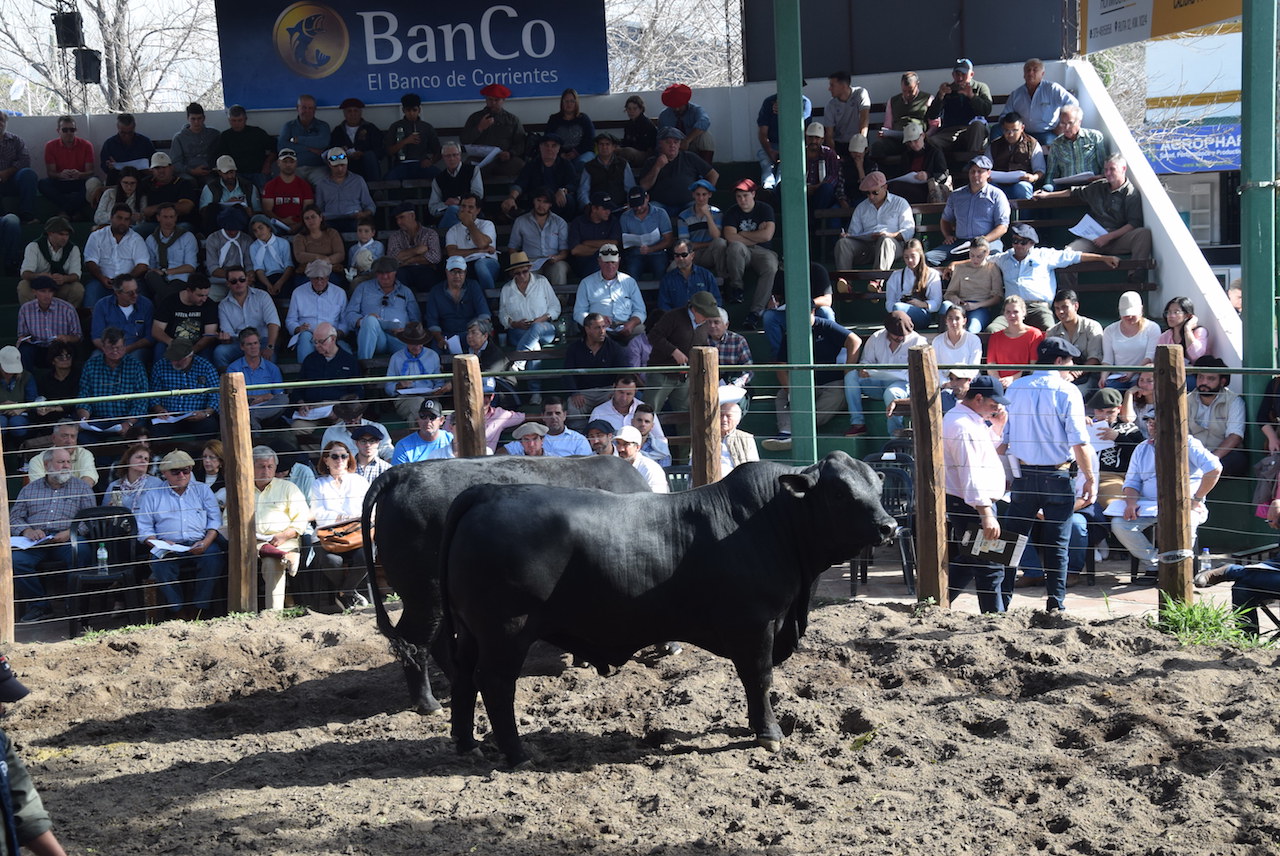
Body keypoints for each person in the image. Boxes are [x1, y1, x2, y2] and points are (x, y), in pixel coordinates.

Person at [1001, 337, 1096, 612]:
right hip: (1057, 475)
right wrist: (1089, 477)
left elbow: (1005, 438)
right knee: (1057, 543)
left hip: (1023, 474)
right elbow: (1079, 441)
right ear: (1058, 361)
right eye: (1069, 362)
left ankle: (1000, 600)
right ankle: (1056, 604)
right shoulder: (1067, 391)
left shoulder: (1016, 387)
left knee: (1012, 541)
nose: (1072, 368)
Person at [1106, 408, 1222, 580]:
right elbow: (1131, 482)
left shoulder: (1189, 444)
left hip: (1186, 504)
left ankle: (1179, 571)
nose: (1151, 426)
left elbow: (1215, 468)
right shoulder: (1141, 448)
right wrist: (1131, 503)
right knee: (1120, 524)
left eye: (1155, 422)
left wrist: (1197, 498)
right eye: (1148, 422)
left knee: (1187, 523)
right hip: (1148, 506)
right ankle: (1156, 564)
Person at [943, 375, 1010, 613]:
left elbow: (981, 452)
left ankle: (934, 603)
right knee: (990, 567)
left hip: (970, 502)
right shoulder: (963, 426)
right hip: (974, 504)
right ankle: (995, 621)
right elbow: (971, 471)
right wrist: (986, 513)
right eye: (994, 404)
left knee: (972, 560)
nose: (998, 408)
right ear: (978, 398)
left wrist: (997, 425)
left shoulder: (967, 419)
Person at [1035, 155, 1154, 289]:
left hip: (1117, 238)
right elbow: (1073, 192)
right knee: (1069, 252)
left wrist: (1108, 237)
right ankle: (1069, 294)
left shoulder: (1131, 193)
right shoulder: (1098, 187)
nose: (1108, 173)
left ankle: (1135, 277)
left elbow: (1133, 224)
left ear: (1123, 169)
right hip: (1093, 238)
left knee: (1143, 234)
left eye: (1112, 169)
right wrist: (1047, 195)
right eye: (1106, 170)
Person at [134, 449, 225, 620]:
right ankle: (177, 609)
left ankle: (200, 607)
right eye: (175, 471)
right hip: (167, 545)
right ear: (164, 473)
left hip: (200, 542)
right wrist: (157, 543)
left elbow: (215, 522)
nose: (182, 475)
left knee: (214, 557)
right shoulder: (152, 495)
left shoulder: (203, 490)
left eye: (186, 470)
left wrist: (205, 542)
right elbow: (144, 529)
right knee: (159, 564)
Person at [9, 446, 96, 623]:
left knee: (81, 551)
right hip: (36, 540)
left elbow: (91, 519)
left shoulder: (81, 488)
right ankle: (40, 607)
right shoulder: (30, 489)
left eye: (68, 462)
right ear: (47, 465)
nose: (66, 466)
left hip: (67, 538)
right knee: (16, 560)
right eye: (61, 462)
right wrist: (28, 531)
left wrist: (71, 532)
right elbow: (15, 517)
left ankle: (75, 605)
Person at [761, 305, 863, 450]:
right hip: (804, 384)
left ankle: (799, 428)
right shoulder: (791, 333)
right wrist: (789, 389)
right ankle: (785, 432)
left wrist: (848, 369)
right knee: (782, 395)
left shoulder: (825, 325)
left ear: (813, 312)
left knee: (840, 393)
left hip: (831, 382)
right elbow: (781, 365)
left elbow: (855, 341)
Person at [987, 222, 1119, 332]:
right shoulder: (1004, 257)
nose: (1018, 245)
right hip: (1012, 308)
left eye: (1023, 242)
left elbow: (1074, 256)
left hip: (1038, 307)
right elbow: (981, 261)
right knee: (992, 330)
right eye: (1015, 241)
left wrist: (1103, 258)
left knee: (1051, 330)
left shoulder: (1044, 255)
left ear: (1032, 243)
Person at [309, 440, 372, 610]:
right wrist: (341, 516)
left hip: (357, 535)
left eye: (344, 456)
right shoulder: (318, 484)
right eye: (334, 456)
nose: (340, 460)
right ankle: (349, 594)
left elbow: (368, 509)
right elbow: (317, 514)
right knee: (331, 561)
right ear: (325, 460)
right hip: (329, 536)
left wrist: (348, 518)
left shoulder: (359, 481)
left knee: (366, 556)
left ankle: (345, 592)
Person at [248, 445, 309, 610]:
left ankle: (273, 613)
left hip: (284, 540)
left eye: (270, 466)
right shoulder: (242, 489)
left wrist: (285, 535)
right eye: (261, 466)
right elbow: (228, 521)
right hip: (251, 540)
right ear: (250, 466)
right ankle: (244, 611)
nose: (266, 471)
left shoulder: (288, 488)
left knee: (271, 563)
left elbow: (302, 518)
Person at [573, 244, 649, 367]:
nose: (610, 266)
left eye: (613, 262)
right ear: (599, 261)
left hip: (626, 325)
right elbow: (579, 313)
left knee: (641, 331)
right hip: (601, 327)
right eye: (606, 262)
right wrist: (597, 320)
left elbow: (640, 310)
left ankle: (637, 376)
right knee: (598, 335)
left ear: (619, 261)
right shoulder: (586, 283)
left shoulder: (629, 282)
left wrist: (631, 323)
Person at [926, 155, 1010, 266]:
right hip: (961, 242)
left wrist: (984, 239)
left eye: (980, 172)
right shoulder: (956, 195)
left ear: (988, 173)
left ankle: (959, 266)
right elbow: (945, 219)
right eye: (972, 171)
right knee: (929, 258)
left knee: (994, 259)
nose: (975, 175)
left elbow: (1003, 227)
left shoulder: (997, 195)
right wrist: (948, 236)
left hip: (987, 242)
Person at [851, 311, 926, 435]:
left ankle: (895, 439)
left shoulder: (918, 341)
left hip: (902, 385)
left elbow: (916, 374)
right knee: (851, 377)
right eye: (896, 334)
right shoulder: (876, 337)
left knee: (892, 393)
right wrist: (864, 370)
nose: (900, 337)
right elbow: (865, 361)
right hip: (876, 383)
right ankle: (857, 423)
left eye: (903, 335)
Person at [498, 251, 559, 399]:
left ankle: (518, 361)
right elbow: (502, 315)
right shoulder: (507, 289)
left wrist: (541, 319)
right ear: (513, 273)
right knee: (534, 346)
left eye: (524, 271)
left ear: (529, 269)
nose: (522, 275)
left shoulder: (541, 281)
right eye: (517, 273)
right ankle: (535, 393)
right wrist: (514, 323)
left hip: (545, 328)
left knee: (536, 329)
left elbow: (555, 307)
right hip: (519, 331)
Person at [647, 290, 719, 414]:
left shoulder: (704, 325)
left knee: (686, 415)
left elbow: (702, 344)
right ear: (695, 309)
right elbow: (654, 336)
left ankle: (686, 434)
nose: (707, 319)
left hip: (685, 378)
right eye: (705, 314)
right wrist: (674, 351)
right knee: (649, 411)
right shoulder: (672, 317)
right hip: (661, 374)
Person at [723, 179, 779, 329]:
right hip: (743, 252)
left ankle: (756, 312)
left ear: (753, 194)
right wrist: (756, 234)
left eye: (745, 195)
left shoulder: (765, 209)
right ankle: (737, 288)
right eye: (739, 196)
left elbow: (767, 236)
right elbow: (730, 237)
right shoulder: (732, 212)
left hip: (764, 251)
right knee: (734, 247)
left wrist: (743, 233)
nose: (742, 200)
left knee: (771, 266)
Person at [834, 171, 913, 275]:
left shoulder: (900, 203)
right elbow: (854, 232)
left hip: (893, 246)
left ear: (885, 187)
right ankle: (844, 281)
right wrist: (848, 236)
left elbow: (908, 231)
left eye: (875, 192)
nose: (871, 196)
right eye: (867, 193)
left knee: (885, 241)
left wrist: (889, 235)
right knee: (843, 243)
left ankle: (876, 281)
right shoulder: (861, 207)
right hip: (867, 247)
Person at [345, 256, 422, 360]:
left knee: (421, 353)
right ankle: (363, 365)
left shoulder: (405, 291)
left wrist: (405, 331)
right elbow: (349, 313)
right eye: (381, 273)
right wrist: (363, 321)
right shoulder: (363, 288)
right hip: (374, 338)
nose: (385, 277)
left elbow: (416, 321)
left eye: (388, 273)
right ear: (376, 274)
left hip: (398, 338)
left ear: (395, 272)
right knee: (370, 320)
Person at [75, 326, 150, 432]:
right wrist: (84, 420)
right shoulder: (91, 365)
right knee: (81, 434)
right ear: (103, 347)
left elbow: (142, 400)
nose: (115, 351)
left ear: (124, 346)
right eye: (110, 348)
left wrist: (128, 422)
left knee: (137, 433)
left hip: (128, 419)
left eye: (118, 348)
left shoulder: (136, 366)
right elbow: (84, 396)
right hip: (99, 419)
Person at [290, 322, 359, 436]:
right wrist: (301, 403)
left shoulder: (349, 361)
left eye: (321, 342)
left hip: (339, 408)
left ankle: (337, 452)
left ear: (333, 339)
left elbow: (357, 392)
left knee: (347, 426)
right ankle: (318, 453)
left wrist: (341, 409)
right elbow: (298, 388)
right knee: (297, 428)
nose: (317, 345)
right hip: (312, 409)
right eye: (315, 342)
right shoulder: (310, 360)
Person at [562, 313, 628, 429]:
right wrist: (574, 392)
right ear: (587, 329)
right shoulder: (575, 348)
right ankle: (580, 438)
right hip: (583, 393)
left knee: (619, 401)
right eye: (597, 328)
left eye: (603, 327)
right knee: (573, 405)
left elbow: (623, 372)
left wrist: (616, 390)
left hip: (607, 391)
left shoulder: (614, 347)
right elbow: (567, 373)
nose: (602, 331)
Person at [1187, 355, 1247, 477]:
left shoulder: (1234, 401)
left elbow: (1235, 436)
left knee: (1237, 460)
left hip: (1220, 456)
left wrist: (1211, 459)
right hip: (1192, 455)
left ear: (1222, 381)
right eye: (1201, 377)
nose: (1204, 382)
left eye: (1210, 379)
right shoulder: (1186, 401)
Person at [639, 128, 720, 219]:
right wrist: (657, 166)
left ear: (680, 144)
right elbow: (644, 186)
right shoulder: (652, 161)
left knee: (700, 208)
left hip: (689, 203)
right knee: (649, 210)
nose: (672, 145)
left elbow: (713, 175)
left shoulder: (690, 157)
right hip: (660, 205)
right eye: (668, 142)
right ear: (660, 143)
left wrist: (705, 194)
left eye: (676, 142)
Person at [1086, 387, 1145, 512]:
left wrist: (1118, 438)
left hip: (1112, 476)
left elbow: (1140, 454)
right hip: (1084, 474)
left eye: (1110, 412)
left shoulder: (1129, 429)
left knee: (1113, 505)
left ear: (1119, 409)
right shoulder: (1086, 424)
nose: (1104, 416)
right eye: (1100, 411)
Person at [227, 327, 290, 440]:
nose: (254, 347)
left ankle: (254, 416)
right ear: (242, 347)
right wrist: (261, 397)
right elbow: (233, 398)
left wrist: (265, 400)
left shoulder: (272, 368)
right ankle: (253, 418)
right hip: (245, 409)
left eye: (256, 343)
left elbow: (278, 397)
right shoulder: (233, 369)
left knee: (284, 399)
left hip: (268, 411)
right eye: (249, 344)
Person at [148, 339, 219, 438]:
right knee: (157, 429)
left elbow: (215, 396)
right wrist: (160, 410)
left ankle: (205, 453)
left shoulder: (206, 367)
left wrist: (205, 413)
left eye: (179, 359)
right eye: (172, 359)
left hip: (198, 416)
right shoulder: (160, 366)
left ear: (190, 355)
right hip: (170, 416)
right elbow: (154, 394)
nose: (174, 362)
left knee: (210, 426)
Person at [924, 59, 994, 158]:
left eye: (963, 74)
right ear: (953, 75)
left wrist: (972, 96)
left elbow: (986, 111)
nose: (960, 78)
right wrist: (940, 96)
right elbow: (932, 115)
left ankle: (972, 165)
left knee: (978, 125)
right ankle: (939, 170)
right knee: (931, 142)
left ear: (971, 74)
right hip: (949, 131)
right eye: (957, 74)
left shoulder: (980, 87)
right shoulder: (947, 89)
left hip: (971, 130)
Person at [213, 266, 280, 370]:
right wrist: (225, 340)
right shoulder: (223, 305)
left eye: (242, 279)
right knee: (220, 352)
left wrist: (270, 346)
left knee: (270, 357)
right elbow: (228, 334)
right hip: (239, 343)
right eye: (234, 281)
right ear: (228, 284)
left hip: (262, 341)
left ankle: (265, 385)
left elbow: (273, 323)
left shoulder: (262, 296)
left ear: (247, 280)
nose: (238, 283)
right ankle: (228, 383)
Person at [83, 204, 150, 307]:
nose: (122, 222)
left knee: (143, 301)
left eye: (126, 219)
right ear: (111, 218)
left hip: (129, 281)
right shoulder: (97, 236)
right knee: (92, 292)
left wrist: (125, 280)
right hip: (102, 281)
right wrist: (102, 278)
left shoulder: (136, 239)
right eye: (119, 218)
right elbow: (90, 261)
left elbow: (142, 265)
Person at [423, 257, 489, 354]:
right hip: (446, 335)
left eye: (460, 272)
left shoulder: (473, 286)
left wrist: (477, 334)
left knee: (483, 344)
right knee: (434, 351)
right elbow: (432, 322)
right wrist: (440, 338)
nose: (457, 275)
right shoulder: (436, 291)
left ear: (465, 272)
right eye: (453, 272)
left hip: (470, 333)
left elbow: (484, 315)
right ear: (446, 272)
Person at [503, 134, 577, 221]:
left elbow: (573, 184)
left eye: (554, 146)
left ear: (559, 148)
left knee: (568, 200)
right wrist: (511, 198)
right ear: (540, 147)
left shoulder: (566, 164)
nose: (549, 149)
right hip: (537, 203)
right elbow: (520, 183)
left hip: (557, 203)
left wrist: (563, 190)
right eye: (546, 145)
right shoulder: (532, 165)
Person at [384, 322, 447, 423]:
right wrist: (399, 386)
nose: (417, 347)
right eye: (413, 344)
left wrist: (438, 390)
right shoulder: (396, 358)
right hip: (404, 399)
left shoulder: (432, 355)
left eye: (419, 343)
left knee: (417, 414)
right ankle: (429, 434)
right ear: (406, 342)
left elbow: (439, 381)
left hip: (430, 397)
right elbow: (388, 387)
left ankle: (419, 435)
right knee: (419, 404)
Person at [1004, 58, 1078, 143]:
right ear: (1024, 75)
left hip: (1047, 133)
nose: (1030, 73)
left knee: (1049, 146)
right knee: (996, 131)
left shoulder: (1052, 89)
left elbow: (1073, 104)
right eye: (1028, 70)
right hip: (1023, 133)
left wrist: (1062, 125)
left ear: (1042, 74)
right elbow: (1005, 115)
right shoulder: (1016, 94)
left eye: (1035, 70)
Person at [1046, 289, 1105, 396]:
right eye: (1057, 308)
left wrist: (1075, 373)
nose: (1060, 312)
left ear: (1076, 306)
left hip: (1089, 376)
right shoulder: (1052, 332)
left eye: (1064, 307)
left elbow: (1095, 359)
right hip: (1059, 377)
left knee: (1073, 394)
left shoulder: (1092, 327)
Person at [460, 83, 526, 177]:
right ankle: (473, 192)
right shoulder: (475, 118)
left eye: (497, 100)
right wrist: (480, 128)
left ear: (503, 100)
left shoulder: (512, 119)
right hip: (480, 158)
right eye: (490, 99)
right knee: (467, 168)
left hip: (503, 159)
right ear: (486, 100)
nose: (493, 103)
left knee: (521, 166)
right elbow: (464, 140)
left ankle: (514, 191)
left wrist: (510, 153)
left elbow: (520, 143)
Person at [16, 276, 81, 371]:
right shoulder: (25, 309)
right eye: (43, 291)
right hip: (38, 348)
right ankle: (27, 379)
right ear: (34, 292)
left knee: (69, 348)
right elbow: (22, 334)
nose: (47, 295)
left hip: (60, 347)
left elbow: (78, 336)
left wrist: (66, 338)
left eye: (50, 291)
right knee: (25, 350)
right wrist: (24, 338)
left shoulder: (67, 308)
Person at [38, 115, 96, 218]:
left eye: (72, 130)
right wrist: (60, 175)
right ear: (58, 131)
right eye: (65, 130)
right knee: (42, 184)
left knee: (95, 183)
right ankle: (75, 211)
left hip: (79, 181)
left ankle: (65, 211)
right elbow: (50, 173)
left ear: (75, 130)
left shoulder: (86, 145)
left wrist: (79, 174)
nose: (69, 133)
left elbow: (90, 172)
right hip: (60, 182)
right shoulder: (50, 146)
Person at [822, 71, 872, 188]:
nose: (829, 89)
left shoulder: (860, 93)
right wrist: (833, 154)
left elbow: (864, 118)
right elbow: (829, 134)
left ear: (843, 86)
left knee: (865, 163)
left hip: (858, 140)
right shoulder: (830, 106)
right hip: (841, 145)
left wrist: (860, 143)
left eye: (832, 85)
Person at [1100, 291, 1158, 391]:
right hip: (1117, 377)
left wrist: (1133, 372)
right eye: (1126, 314)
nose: (1129, 317)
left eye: (1133, 314)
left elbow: (1150, 357)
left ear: (1141, 310)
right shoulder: (1110, 330)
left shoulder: (1152, 328)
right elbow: (1108, 359)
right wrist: (1103, 377)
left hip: (1142, 377)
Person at [756, 86, 813, 188]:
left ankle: (780, 189)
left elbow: (800, 131)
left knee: (785, 169)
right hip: (772, 145)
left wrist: (785, 111)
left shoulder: (804, 102)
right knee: (766, 166)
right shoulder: (769, 102)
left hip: (793, 146)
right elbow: (762, 133)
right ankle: (767, 190)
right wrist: (770, 151)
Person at [869, 71, 933, 161]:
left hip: (918, 138)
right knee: (877, 146)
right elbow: (888, 125)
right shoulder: (893, 101)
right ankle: (882, 173)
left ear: (917, 85)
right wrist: (885, 133)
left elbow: (934, 124)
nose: (907, 94)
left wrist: (926, 135)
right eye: (904, 91)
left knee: (914, 146)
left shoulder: (927, 99)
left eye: (910, 91)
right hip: (898, 139)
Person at [19, 216, 83, 306]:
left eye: (67, 235)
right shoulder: (34, 247)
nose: (65, 238)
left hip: (60, 287)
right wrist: (40, 276)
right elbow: (25, 274)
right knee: (23, 286)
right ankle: (33, 316)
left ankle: (66, 316)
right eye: (61, 234)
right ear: (50, 233)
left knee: (77, 289)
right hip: (39, 287)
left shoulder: (73, 249)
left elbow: (76, 275)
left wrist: (64, 278)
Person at [443, 194, 501, 291]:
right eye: (463, 206)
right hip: (464, 265)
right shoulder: (453, 230)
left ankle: (491, 300)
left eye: (470, 207)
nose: (466, 210)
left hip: (487, 263)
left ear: (478, 210)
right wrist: (479, 250)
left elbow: (482, 243)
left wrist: (469, 223)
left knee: (480, 265)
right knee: (457, 271)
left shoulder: (487, 224)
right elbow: (452, 253)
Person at [313, 146, 374, 236]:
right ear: (329, 165)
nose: (340, 169)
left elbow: (370, 205)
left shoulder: (358, 180)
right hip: (330, 220)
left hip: (353, 219)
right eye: (336, 166)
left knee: (359, 228)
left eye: (342, 165)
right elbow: (319, 208)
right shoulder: (322, 184)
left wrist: (364, 214)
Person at [143, 203, 198, 302]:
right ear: (158, 218)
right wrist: (157, 272)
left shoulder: (187, 237)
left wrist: (166, 272)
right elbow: (150, 266)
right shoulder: (151, 239)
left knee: (159, 297)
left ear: (176, 218)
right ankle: (168, 302)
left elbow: (190, 267)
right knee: (150, 276)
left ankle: (165, 303)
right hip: (159, 280)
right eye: (165, 217)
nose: (168, 221)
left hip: (180, 279)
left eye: (171, 217)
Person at [1044, 105, 1108, 191]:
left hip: (1091, 185)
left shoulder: (1094, 137)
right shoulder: (1056, 144)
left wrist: (1101, 177)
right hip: (1067, 188)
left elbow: (1104, 164)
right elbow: (1051, 173)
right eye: (1063, 123)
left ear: (1079, 122)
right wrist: (1046, 190)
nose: (1066, 128)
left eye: (1070, 123)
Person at [983, 112, 1045, 200]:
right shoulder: (994, 145)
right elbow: (984, 167)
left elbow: (1040, 170)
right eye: (1006, 130)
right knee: (987, 187)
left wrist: (1033, 177)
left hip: (1021, 183)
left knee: (1022, 188)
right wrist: (986, 176)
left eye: (1014, 130)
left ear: (1022, 128)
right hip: (998, 184)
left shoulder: (1032, 144)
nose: (1010, 134)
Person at [214, 104, 276, 190]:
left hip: (258, 172)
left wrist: (268, 163)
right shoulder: (224, 136)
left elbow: (275, 148)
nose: (237, 124)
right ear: (229, 120)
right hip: (236, 174)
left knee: (266, 191)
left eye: (240, 120)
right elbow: (220, 157)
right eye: (233, 121)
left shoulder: (257, 132)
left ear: (245, 119)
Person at [987, 296, 1045, 388]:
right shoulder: (995, 337)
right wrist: (998, 382)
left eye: (1016, 312)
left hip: (1025, 384)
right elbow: (991, 365)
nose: (1012, 315)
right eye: (1008, 312)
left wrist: (1012, 379)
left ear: (1023, 312)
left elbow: (1033, 366)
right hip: (1000, 385)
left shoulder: (1034, 334)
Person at [882, 238, 941, 328]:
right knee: (897, 309)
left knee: (898, 309)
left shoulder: (932, 274)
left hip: (922, 314)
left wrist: (922, 304)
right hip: (899, 314)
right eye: (906, 257)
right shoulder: (896, 275)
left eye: (913, 256)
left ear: (920, 255)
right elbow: (889, 302)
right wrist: (902, 304)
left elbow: (936, 302)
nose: (909, 260)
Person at [675, 179, 727, 279]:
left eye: (704, 194)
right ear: (693, 195)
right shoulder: (683, 216)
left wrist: (708, 215)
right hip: (692, 254)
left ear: (710, 195)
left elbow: (716, 236)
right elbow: (685, 244)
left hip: (710, 253)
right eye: (698, 194)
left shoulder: (717, 213)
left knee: (720, 243)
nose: (701, 198)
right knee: (672, 268)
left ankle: (722, 278)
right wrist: (708, 244)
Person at [197, 155, 261, 235]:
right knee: (213, 208)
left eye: (232, 172)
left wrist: (249, 212)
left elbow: (258, 212)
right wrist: (226, 204)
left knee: (238, 208)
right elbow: (205, 212)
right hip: (218, 224)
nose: (230, 176)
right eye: (226, 173)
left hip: (242, 223)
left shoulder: (249, 187)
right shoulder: (211, 187)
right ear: (219, 172)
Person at [428, 142, 484, 233]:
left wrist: (459, 201)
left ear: (460, 155)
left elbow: (478, 194)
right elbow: (433, 208)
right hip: (448, 217)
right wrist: (447, 205)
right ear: (443, 157)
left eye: (455, 155)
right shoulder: (438, 179)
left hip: (471, 213)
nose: (452, 158)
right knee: (452, 210)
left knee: (455, 210)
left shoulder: (473, 170)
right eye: (448, 156)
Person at [384, 92, 441, 182]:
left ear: (419, 110)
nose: (411, 113)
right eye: (408, 110)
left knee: (440, 177)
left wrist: (431, 161)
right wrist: (405, 141)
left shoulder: (426, 127)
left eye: (414, 110)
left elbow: (438, 151)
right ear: (403, 110)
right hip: (401, 164)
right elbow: (389, 151)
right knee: (389, 179)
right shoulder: (395, 126)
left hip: (421, 164)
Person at [566, 190, 624, 279]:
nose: (608, 212)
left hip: (606, 263)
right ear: (594, 209)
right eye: (605, 209)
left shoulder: (612, 221)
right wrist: (603, 251)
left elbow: (614, 243)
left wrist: (586, 243)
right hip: (582, 264)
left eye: (609, 209)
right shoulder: (578, 222)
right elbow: (575, 250)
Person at [619, 187, 673, 280]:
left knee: (661, 269)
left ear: (647, 198)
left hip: (657, 253)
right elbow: (624, 240)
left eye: (641, 204)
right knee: (631, 271)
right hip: (635, 253)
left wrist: (651, 249)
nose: (639, 208)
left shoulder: (660, 213)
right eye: (635, 205)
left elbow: (668, 240)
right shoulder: (625, 217)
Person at [386, 203, 441, 293]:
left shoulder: (430, 233)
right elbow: (393, 259)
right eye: (397, 219)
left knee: (430, 279)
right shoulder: (395, 236)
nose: (398, 222)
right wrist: (417, 250)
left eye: (401, 217)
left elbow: (435, 257)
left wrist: (408, 261)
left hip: (425, 269)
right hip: (403, 271)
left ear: (412, 215)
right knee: (397, 278)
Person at [278, 94, 332, 184]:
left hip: (318, 168)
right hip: (294, 168)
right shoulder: (288, 126)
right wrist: (309, 148)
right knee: (289, 186)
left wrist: (298, 140)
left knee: (325, 185)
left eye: (310, 108)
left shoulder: (323, 126)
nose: (307, 111)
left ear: (315, 110)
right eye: (304, 107)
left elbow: (323, 142)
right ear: (297, 108)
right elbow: (282, 146)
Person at [26, 420, 98, 487]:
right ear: (53, 438)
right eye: (65, 436)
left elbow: (89, 480)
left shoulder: (84, 454)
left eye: (73, 436)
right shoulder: (37, 461)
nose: (69, 441)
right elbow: (40, 489)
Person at [202, 206, 253, 301]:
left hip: (242, 282)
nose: (232, 232)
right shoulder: (213, 239)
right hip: (219, 282)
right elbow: (213, 268)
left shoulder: (246, 239)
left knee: (252, 296)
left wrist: (249, 276)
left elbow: (249, 265)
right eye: (229, 229)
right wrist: (233, 277)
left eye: (235, 229)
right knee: (209, 296)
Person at [658, 239, 722, 313]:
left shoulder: (706, 275)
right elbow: (663, 305)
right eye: (677, 255)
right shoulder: (667, 280)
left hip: (704, 320)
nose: (680, 258)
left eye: (684, 255)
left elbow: (716, 300)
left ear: (692, 255)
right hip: (678, 321)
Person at [328, 97, 383, 182]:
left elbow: (380, 150)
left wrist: (363, 154)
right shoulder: (338, 131)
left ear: (361, 112)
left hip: (366, 165)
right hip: (346, 165)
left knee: (370, 156)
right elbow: (332, 151)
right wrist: (346, 155)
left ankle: (376, 192)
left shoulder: (370, 128)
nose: (353, 114)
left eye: (355, 111)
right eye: (349, 111)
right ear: (344, 113)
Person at [290, 204, 345, 289]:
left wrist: (327, 260)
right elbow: (300, 256)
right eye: (307, 218)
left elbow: (340, 254)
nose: (310, 220)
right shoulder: (299, 237)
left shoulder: (332, 233)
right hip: (308, 270)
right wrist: (319, 258)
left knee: (334, 282)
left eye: (313, 217)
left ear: (320, 217)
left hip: (330, 269)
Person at [658, 83, 716, 161]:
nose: (677, 109)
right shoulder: (664, 115)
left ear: (686, 102)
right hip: (673, 147)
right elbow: (661, 136)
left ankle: (706, 168)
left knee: (705, 136)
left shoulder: (696, 110)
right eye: (674, 106)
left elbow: (704, 122)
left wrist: (687, 140)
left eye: (680, 105)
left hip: (692, 143)